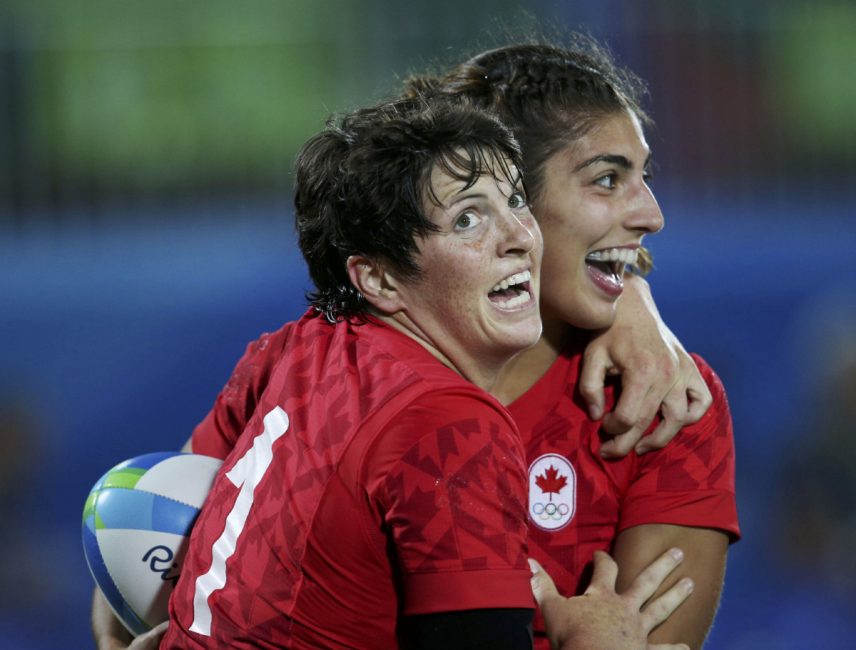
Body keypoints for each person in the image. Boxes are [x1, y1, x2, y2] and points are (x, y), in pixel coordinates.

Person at [90, 40, 711, 650]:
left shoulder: (301, 348)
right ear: (377, 276)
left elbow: (143, 515)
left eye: (513, 201)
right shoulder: (451, 424)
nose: (517, 235)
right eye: (468, 217)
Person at [401, 38, 740, 650]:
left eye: (644, 176)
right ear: (510, 200)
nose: (652, 214)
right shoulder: (345, 370)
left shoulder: (665, 401)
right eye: (607, 179)